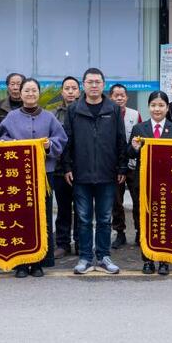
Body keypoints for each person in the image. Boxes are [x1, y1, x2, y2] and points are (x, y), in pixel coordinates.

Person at [0, 77, 68, 278]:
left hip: (44, 173)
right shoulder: (11, 117)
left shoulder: (49, 117)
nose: (30, 94)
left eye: (33, 91)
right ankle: (21, 263)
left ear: (38, 93)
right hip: (18, 174)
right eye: (26, 91)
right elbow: (1, 138)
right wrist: (11, 143)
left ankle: (39, 262)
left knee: (42, 217)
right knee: (20, 217)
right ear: (20, 93)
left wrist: (49, 145)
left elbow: (61, 139)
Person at [60, 68, 127, 275]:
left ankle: (104, 256)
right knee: (84, 218)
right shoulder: (74, 110)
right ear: (84, 85)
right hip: (81, 173)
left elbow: (120, 140)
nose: (94, 85)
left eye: (98, 82)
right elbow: (67, 141)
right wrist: (68, 167)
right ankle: (86, 258)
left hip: (108, 173)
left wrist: (122, 166)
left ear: (103, 84)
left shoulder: (113, 109)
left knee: (105, 217)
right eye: (90, 82)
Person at [129, 90, 172, 276]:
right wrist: (134, 148)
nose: (157, 109)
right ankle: (148, 260)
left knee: (165, 221)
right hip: (144, 182)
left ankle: (164, 261)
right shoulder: (139, 128)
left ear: (167, 108)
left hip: (168, 183)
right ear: (149, 107)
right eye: (153, 105)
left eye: (161, 105)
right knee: (146, 220)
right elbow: (129, 154)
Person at [109, 83, 142, 249]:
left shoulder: (135, 115)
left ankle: (139, 233)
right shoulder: (107, 114)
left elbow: (142, 138)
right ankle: (119, 233)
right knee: (116, 201)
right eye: (116, 95)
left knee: (138, 200)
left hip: (133, 165)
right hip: (114, 167)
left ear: (127, 97)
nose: (119, 98)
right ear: (111, 97)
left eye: (122, 95)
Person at [53, 76, 81, 258]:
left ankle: (81, 243)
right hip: (58, 169)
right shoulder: (54, 114)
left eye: (73, 88)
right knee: (63, 209)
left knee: (81, 209)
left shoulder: (84, 111)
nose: (70, 91)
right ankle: (63, 244)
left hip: (80, 168)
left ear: (79, 91)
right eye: (67, 88)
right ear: (62, 92)